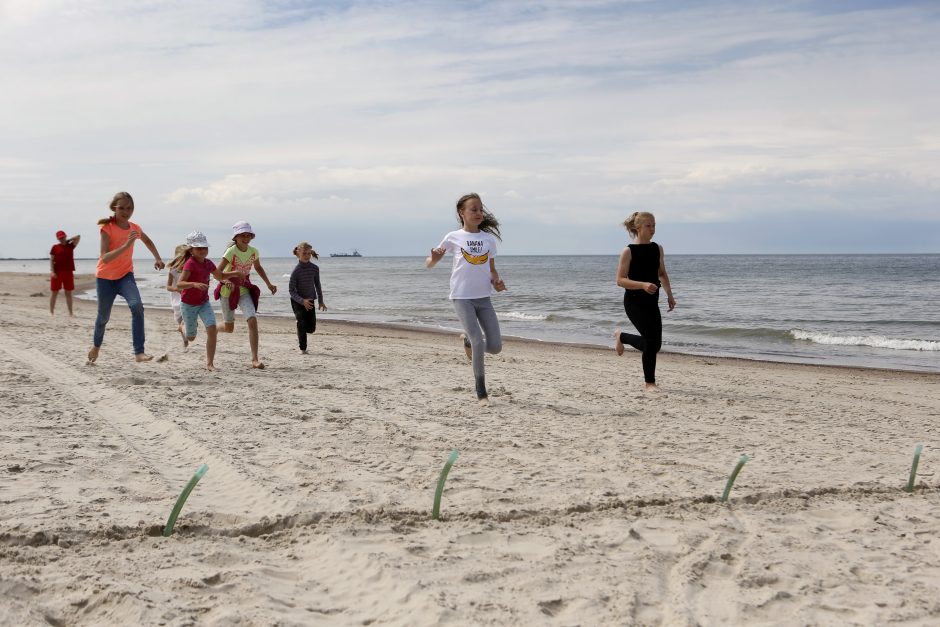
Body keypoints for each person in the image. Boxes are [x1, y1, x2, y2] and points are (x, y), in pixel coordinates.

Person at [426, 193, 506, 404]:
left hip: (484, 298)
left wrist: (497, 283)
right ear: (462, 213)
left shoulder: (488, 240)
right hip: (462, 297)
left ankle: (469, 341)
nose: (479, 213)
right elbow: (430, 263)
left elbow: (492, 270)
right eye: (474, 209)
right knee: (480, 342)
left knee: (496, 346)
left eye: (481, 209)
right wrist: (433, 259)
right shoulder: (453, 237)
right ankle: (481, 392)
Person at [87, 192, 165, 364]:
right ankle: (96, 346)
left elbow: (148, 241)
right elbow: (105, 257)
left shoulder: (134, 228)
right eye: (121, 208)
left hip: (125, 276)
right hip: (105, 279)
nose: (125, 211)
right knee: (103, 318)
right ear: (114, 208)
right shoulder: (107, 229)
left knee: (137, 306)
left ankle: (139, 353)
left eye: (129, 208)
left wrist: (157, 258)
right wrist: (127, 245)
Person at [613, 211, 676, 390]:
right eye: (649, 226)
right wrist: (642, 285)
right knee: (650, 341)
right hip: (634, 303)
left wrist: (670, 295)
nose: (652, 229)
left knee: (655, 345)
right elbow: (620, 280)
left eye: (654, 225)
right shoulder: (628, 251)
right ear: (638, 227)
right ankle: (650, 383)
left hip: (651, 302)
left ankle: (621, 336)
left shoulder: (658, 248)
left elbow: (662, 274)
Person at [176, 231, 243, 371]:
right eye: (198, 248)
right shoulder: (190, 264)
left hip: (203, 303)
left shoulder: (208, 263)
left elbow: (220, 275)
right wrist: (194, 284)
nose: (202, 250)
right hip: (188, 304)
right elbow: (179, 284)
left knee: (212, 329)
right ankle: (182, 327)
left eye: (205, 247)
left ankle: (210, 364)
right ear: (191, 250)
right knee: (191, 337)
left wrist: (233, 274)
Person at [215, 221, 277, 369]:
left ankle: (255, 359)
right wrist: (225, 280)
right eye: (242, 235)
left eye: (248, 235)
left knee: (252, 320)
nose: (246, 237)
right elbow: (217, 273)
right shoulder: (230, 252)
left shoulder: (254, 251)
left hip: (243, 289)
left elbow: (258, 267)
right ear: (236, 237)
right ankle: (212, 328)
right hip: (227, 291)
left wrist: (268, 283)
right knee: (229, 328)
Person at [288, 241, 327, 354]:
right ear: (298, 254)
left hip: (310, 300)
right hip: (297, 301)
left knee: (311, 329)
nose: (307, 256)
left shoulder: (315, 268)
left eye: (309, 253)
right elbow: (291, 290)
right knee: (301, 323)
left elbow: (317, 285)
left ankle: (302, 325)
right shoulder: (296, 271)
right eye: (304, 253)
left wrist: (320, 301)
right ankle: (303, 349)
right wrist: (301, 300)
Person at [49, 230, 81, 316]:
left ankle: (70, 313)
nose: (62, 239)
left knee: (68, 293)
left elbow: (78, 236)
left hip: (68, 272)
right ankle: (51, 312)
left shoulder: (70, 246)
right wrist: (52, 271)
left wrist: (68, 240)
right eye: (60, 238)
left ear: (65, 236)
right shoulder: (55, 247)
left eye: (63, 237)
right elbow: (52, 260)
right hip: (57, 273)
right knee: (54, 293)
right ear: (57, 239)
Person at [166, 244, 191, 347]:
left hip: (188, 299)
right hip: (176, 300)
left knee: (187, 320)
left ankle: (186, 326)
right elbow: (168, 287)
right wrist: (176, 289)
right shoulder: (173, 270)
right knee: (180, 321)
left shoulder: (190, 268)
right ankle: (185, 340)